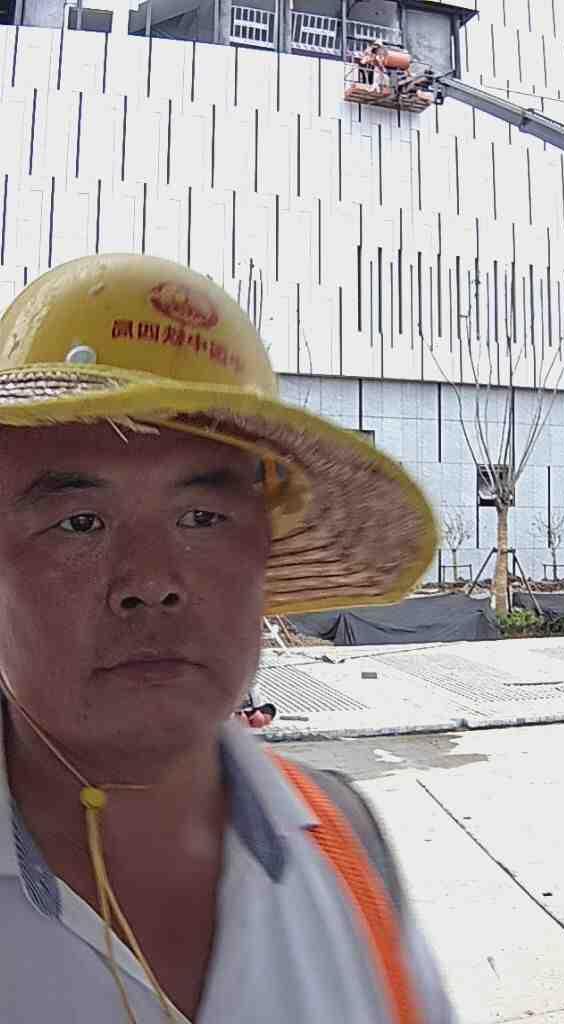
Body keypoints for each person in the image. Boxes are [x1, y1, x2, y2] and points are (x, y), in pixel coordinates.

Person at [0, 253, 453, 1023]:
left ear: (264, 553)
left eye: (203, 517)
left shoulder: (350, 854)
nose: (152, 580)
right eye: (80, 521)